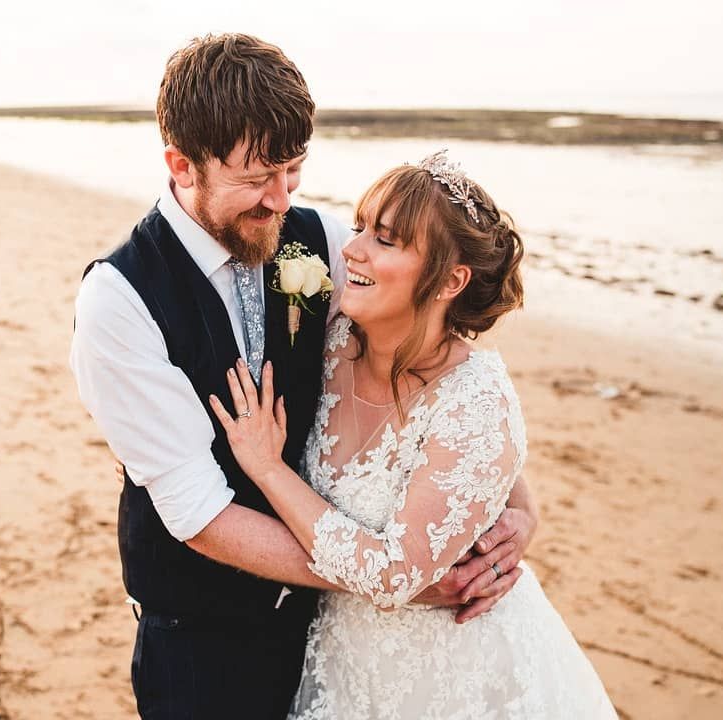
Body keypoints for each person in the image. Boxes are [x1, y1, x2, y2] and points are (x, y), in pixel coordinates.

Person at [70, 34, 538, 719]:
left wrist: (517, 512)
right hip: (203, 639)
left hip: (328, 631)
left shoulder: (318, 239)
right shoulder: (120, 302)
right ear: (182, 165)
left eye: (293, 170)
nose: (280, 200)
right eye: (257, 178)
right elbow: (199, 516)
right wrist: (394, 578)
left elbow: (431, 380)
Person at [210, 152, 617, 718]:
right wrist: (520, 506)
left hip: (456, 674)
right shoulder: (329, 346)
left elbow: (393, 573)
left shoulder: (472, 402)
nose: (351, 250)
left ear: (451, 280)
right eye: (359, 228)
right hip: (345, 662)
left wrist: (269, 469)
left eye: (386, 239)